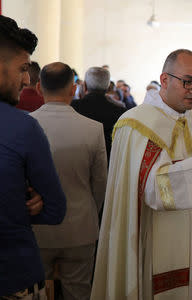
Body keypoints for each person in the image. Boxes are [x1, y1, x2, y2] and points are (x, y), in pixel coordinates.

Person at [91, 49, 192, 300]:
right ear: (164, 80)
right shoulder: (136, 124)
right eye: (188, 82)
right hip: (151, 243)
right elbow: (152, 190)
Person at [0, 15, 66, 298]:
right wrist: (25, 200)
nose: (27, 79)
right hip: (12, 273)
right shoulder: (22, 127)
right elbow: (54, 210)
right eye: (23, 68)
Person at [31, 62, 108, 300]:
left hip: (36, 228)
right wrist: (88, 211)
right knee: (79, 292)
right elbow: (100, 184)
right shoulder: (93, 129)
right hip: (80, 227)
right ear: (74, 89)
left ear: (37, 88)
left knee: (34, 292)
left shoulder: (27, 125)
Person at [72, 67, 127, 160]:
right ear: (108, 86)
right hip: (108, 165)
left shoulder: (73, 108)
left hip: (77, 161)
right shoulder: (120, 113)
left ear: (84, 86)